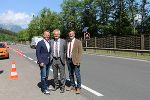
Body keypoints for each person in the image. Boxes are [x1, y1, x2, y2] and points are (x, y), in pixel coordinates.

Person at [50, 29, 66, 93]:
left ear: (59, 35)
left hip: (60, 59)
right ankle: (56, 85)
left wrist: (63, 58)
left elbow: (65, 51)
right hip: (53, 59)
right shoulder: (51, 41)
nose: (56, 35)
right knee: (55, 74)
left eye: (57, 34)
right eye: (55, 34)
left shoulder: (63, 41)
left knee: (62, 75)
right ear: (53, 35)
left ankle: (62, 87)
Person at [36, 30, 51, 95]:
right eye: (46, 35)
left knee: (47, 75)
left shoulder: (49, 42)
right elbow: (37, 53)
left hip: (48, 61)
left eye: (48, 35)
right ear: (43, 35)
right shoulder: (40, 43)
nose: (47, 36)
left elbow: (49, 52)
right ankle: (44, 89)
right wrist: (40, 62)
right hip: (42, 62)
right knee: (43, 76)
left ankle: (46, 86)